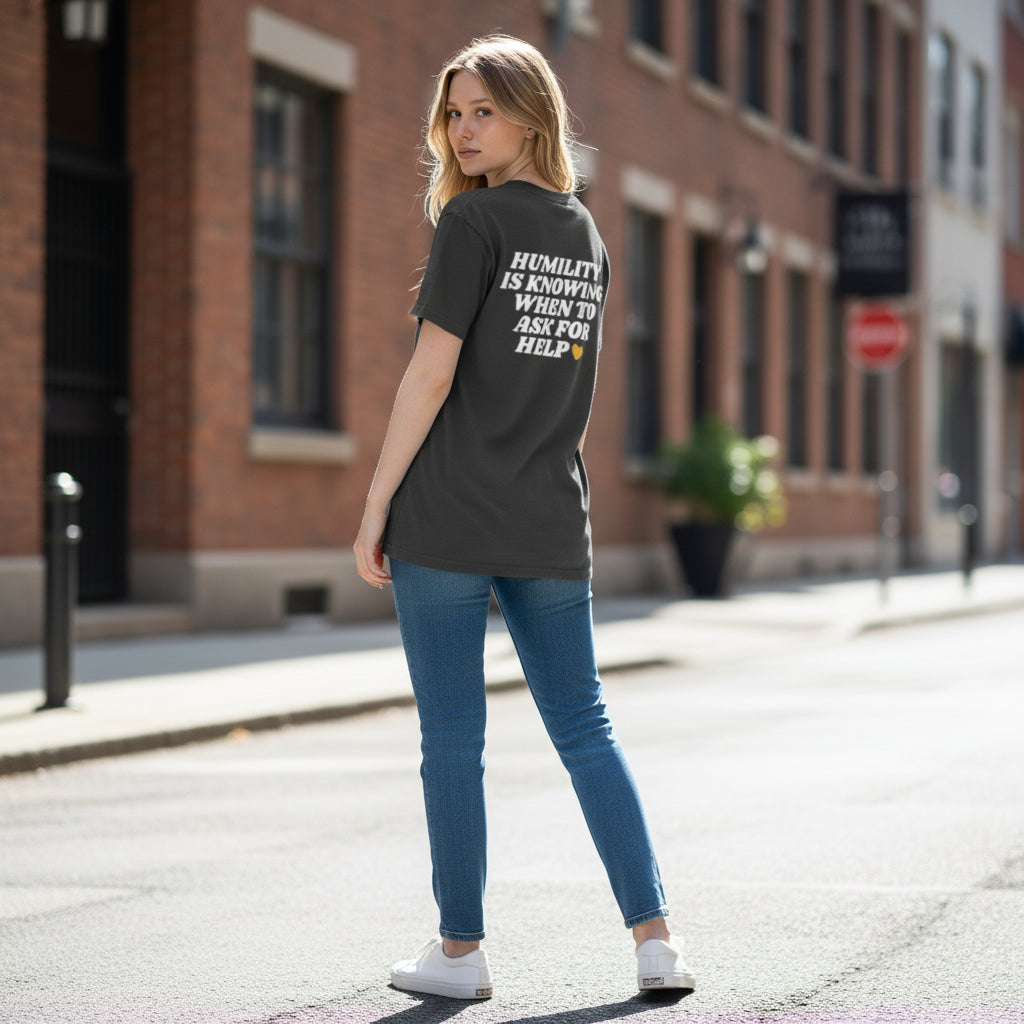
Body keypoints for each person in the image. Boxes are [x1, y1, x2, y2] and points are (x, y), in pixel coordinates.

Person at [353, 33, 695, 1001]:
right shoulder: (584, 235)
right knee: (586, 729)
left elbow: (430, 375)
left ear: (530, 115)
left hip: (447, 521)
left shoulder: (473, 227)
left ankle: (458, 957)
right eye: (453, 113)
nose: (463, 130)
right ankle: (655, 942)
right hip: (550, 521)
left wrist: (375, 502)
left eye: (482, 112)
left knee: (452, 743)